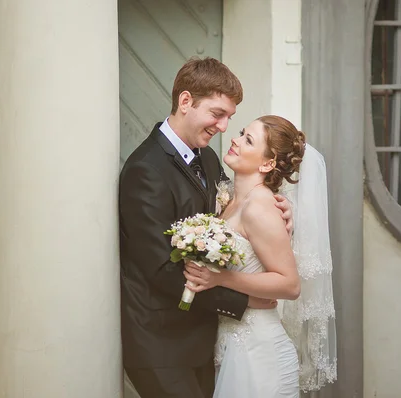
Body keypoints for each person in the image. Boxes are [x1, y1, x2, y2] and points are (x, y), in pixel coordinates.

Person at [119, 58, 293, 398]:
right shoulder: (146, 170)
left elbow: (237, 212)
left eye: (230, 117)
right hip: (162, 346)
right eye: (217, 114)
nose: (225, 127)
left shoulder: (209, 159)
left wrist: (282, 207)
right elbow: (161, 270)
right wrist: (243, 301)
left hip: (203, 340)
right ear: (185, 102)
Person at [184, 115, 337, 397]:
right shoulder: (229, 199)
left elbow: (289, 285)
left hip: (260, 355)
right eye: (242, 133)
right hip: (234, 347)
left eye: (248, 140)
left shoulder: (259, 206)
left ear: (267, 164)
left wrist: (221, 278)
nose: (235, 139)